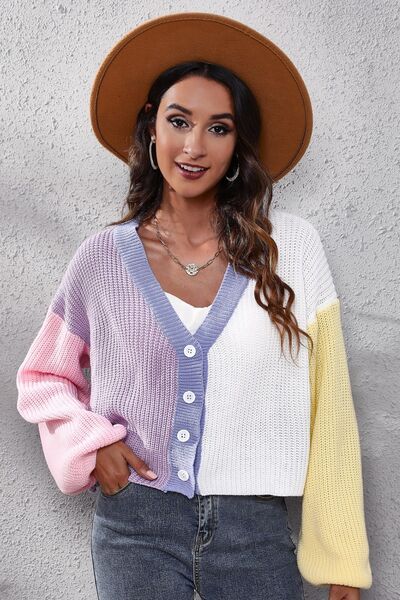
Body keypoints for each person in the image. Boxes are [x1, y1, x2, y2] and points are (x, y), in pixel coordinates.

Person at [16, 12, 372, 600]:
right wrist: (90, 443)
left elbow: (329, 406)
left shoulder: (292, 249)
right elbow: (43, 376)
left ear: (238, 145)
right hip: (136, 527)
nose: (194, 146)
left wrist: (340, 558)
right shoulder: (103, 258)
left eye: (219, 128)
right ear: (150, 128)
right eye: (178, 121)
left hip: (256, 532)